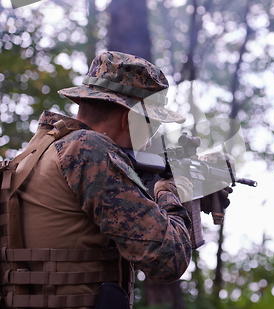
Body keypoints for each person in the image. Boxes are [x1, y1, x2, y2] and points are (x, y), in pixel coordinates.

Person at [0, 51, 194, 309]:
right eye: (153, 125)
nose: (149, 140)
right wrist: (169, 193)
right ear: (129, 119)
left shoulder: (35, 154)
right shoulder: (89, 150)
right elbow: (169, 260)